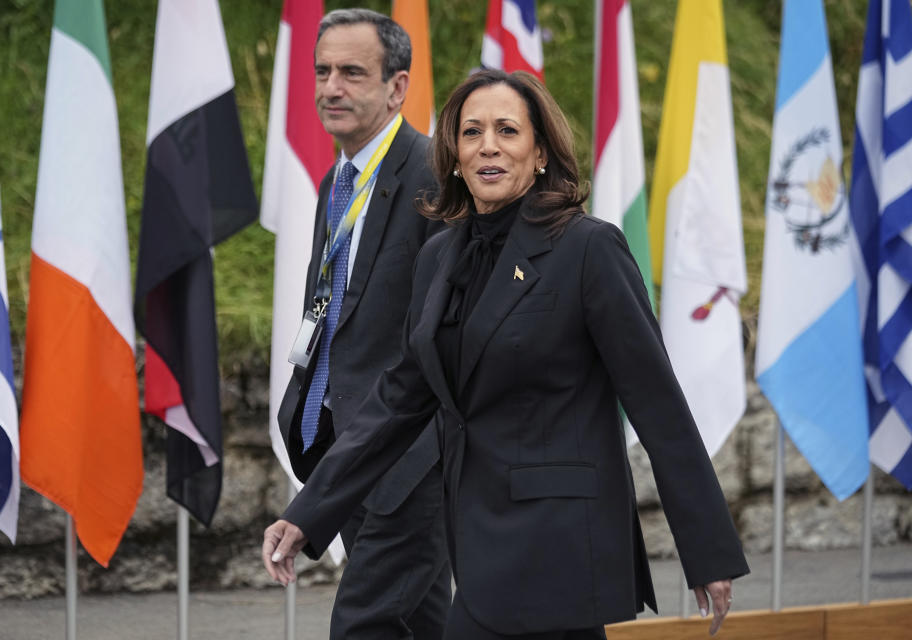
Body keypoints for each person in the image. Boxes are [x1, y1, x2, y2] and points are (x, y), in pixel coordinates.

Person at [265, 69, 750, 639]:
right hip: (475, 540)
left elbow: (659, 406)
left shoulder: (588, 248)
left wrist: (709, 550)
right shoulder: (439, 258)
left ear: (540, 152)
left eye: (506, 130)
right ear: (452, 154)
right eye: (471, 133)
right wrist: (307, 513)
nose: (487, 146)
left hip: (558, 546)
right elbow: (398, 401)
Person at [274, 8, 449, 639]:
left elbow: (441, 332)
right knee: (424, 624)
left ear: (397, 87)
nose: (330, 88)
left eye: (352, 72)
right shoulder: (336, 182)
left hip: (409, 461)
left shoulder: (435, 174)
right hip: (339, 448)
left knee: (362, 625)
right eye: (322, 72)